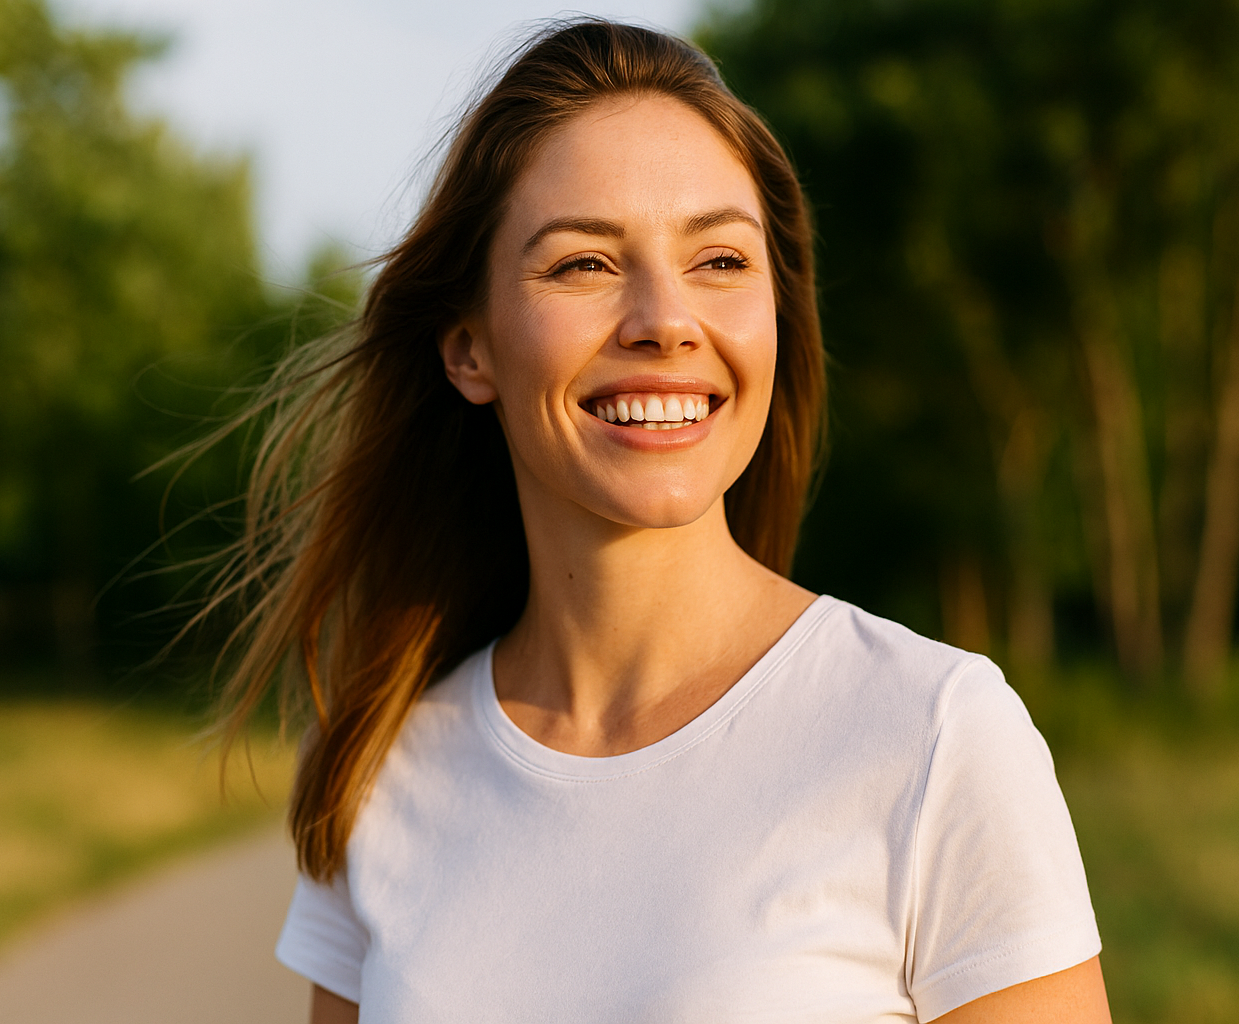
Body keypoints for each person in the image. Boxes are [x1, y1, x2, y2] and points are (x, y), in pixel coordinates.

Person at [211, 19, 1109, 1024]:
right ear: (469, 349)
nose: (665, 318)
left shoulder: (935, 734)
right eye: (585, 265)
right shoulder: (386, 765)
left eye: (721, 261)